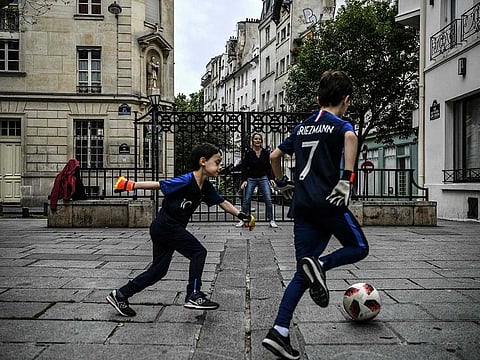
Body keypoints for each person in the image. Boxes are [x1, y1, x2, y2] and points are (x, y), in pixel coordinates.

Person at [262, 70, 369, 359]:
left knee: (301, 272)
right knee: (359, 247)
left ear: (317, 98)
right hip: (329, 203)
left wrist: (281, 183)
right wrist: (347, 178)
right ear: (345, 100)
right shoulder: (340, 124)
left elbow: (274, 156)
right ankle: (321, 264)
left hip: (303, 206)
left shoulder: (302, 127)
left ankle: (279, 331)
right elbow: (350, 136)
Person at [106, 143, 255, 317]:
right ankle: (193, 294)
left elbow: (222, 202)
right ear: (203, 162)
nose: (220, 166)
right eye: (217, 162)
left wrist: (241, 215)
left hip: (166, 227)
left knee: (158, 271)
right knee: (198, 252)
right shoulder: (186, 180)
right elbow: (159, 184)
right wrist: (130, 185)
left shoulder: (205, 185)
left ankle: (121, 294)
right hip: (166, 225)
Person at [236, 133, 277, 228]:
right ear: (253, 141)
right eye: (255, 139)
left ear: (261, 141)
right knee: (247, 199)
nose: (257, 140)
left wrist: (271, 178)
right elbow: (245, 167)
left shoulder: (266, 152)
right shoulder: (248, 153)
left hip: (263, 177)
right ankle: (242, 219)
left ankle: (271, 220)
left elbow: (268, 167)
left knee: (268, 199)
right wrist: (244, 180)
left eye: (259, 139)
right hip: (251, 178)